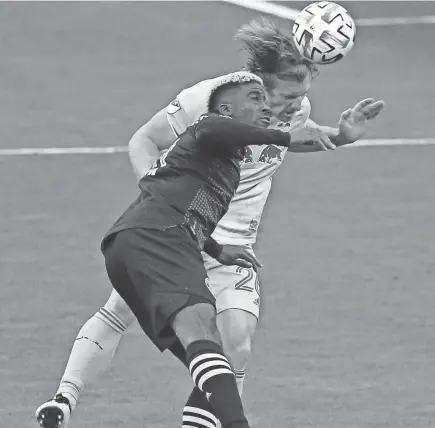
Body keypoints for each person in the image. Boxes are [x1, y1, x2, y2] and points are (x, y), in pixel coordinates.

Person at [36, 18, 384, 428]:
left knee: (236, 340)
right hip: (181, 231)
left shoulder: (292, 111)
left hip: (232, 243)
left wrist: (339, 136)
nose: (298, 104)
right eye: (290, 95)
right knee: (122, 311)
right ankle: (64, 399)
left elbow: (292, 132)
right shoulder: (210, 100)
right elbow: (143, 140)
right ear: (258, 88)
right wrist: (158, 194)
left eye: (304, 95)